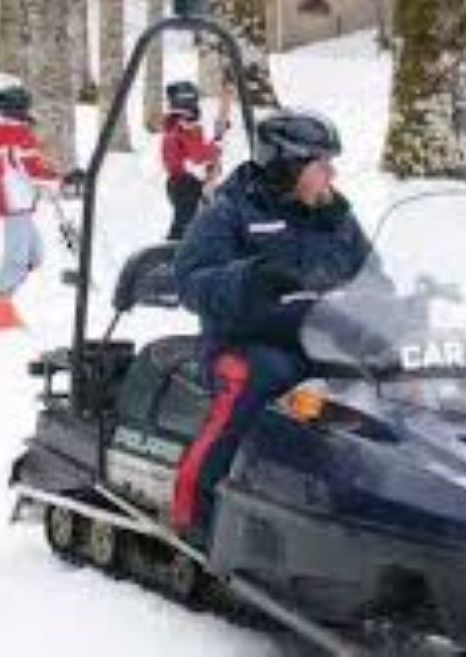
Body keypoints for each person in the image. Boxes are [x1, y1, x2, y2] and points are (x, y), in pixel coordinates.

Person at [171, 109, 371, 542]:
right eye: (321, 163)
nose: (331, 173)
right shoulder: (228, 213)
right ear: (289, 164)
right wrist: (249, 279)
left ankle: (368, 503)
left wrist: (407, 301)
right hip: (241, 343)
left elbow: (372, 277)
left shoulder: (336, 216)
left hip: (320, 341)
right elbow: (188, 282)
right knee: (261, 376)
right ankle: (195, 512)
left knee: (385, 382)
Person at [0, 85, 83, 331]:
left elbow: (19, 168)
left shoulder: (3, 132)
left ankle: (5, 302)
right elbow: (31, 169)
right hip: (15, 203)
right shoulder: (16, 134)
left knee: (34, 255)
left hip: (17, 201)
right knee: (18, 258)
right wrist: (63, 179)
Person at [161, 80, 227, 241]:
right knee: (183, 226)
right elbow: (199, 156)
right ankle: (173, 255)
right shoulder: (184, 128)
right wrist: (216, 144)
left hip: (180, 183)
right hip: (186, 186)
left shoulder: (174, 126)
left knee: (201, 221)